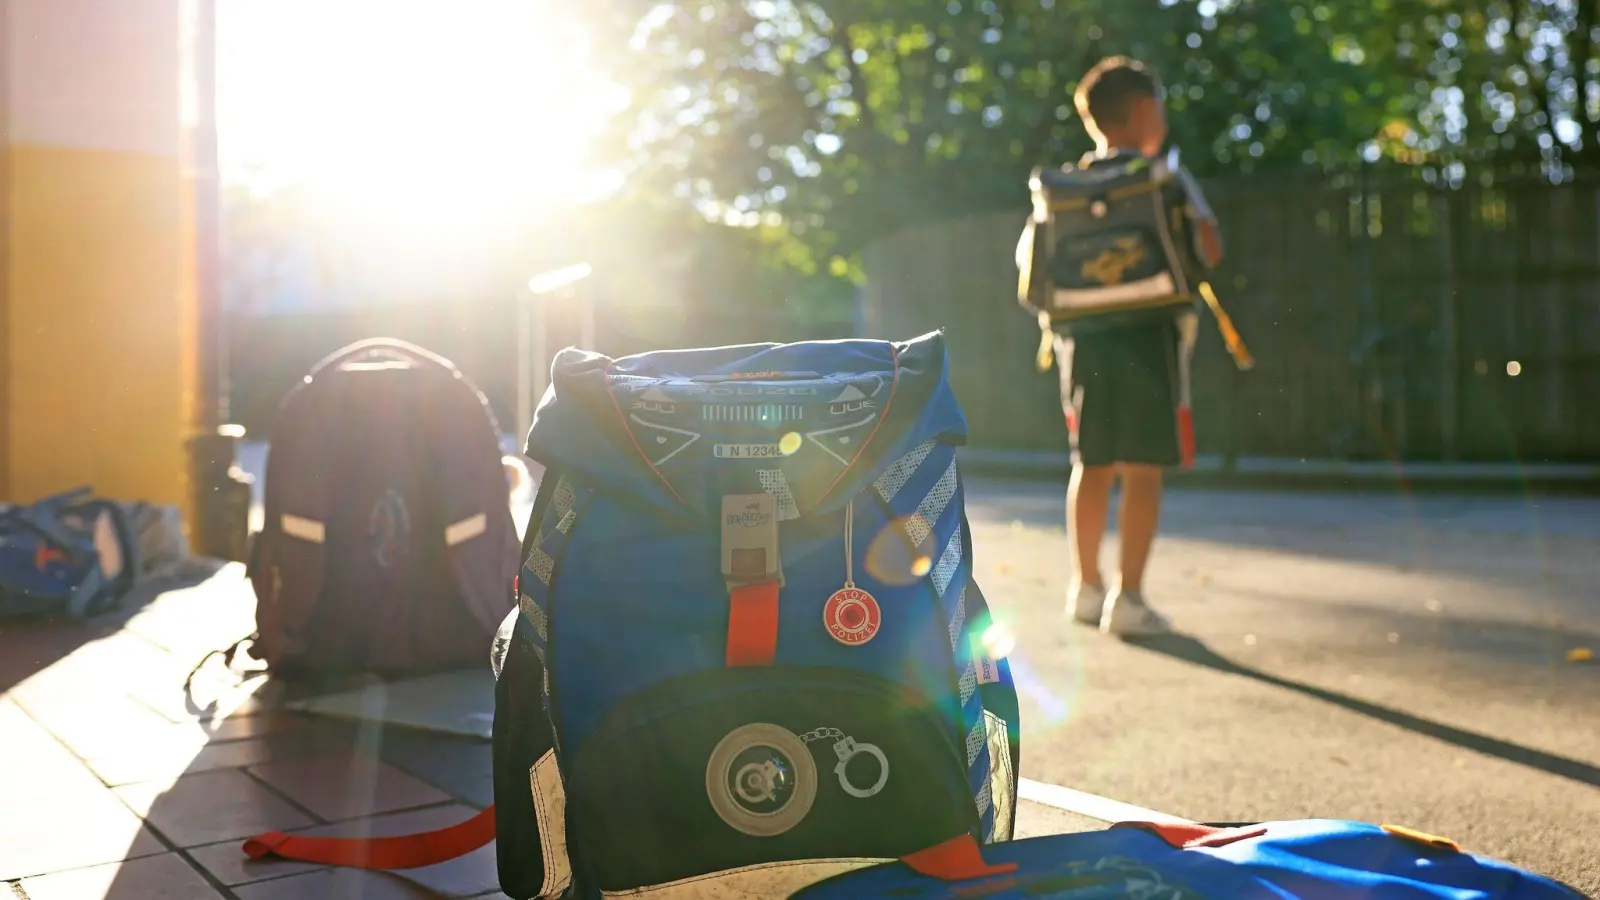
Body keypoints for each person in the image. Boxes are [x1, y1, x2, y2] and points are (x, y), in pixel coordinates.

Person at [1055, 56, 1224, 637]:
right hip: (1150, 338)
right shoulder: (1164, 178)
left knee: (1091, 462)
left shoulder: (1065, 189)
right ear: (1147, 110)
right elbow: (1208, 250)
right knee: (1143, 468)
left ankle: (1085, 588)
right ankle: (1129, 600)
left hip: (1083, 342)